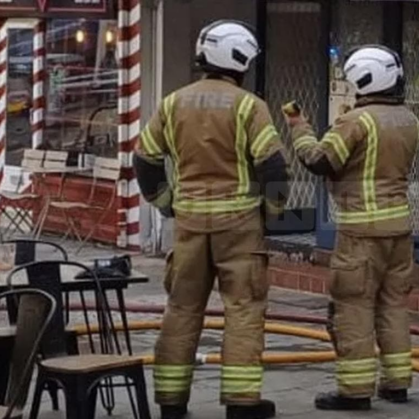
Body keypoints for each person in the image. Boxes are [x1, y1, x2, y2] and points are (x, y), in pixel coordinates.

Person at [134, 19, 289, 419]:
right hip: (238, 226)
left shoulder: (173, 103)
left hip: (188, 226)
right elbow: (273, 168)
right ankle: (241, 404)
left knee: (181, 309)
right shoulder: (248, 106)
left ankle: (171, 402)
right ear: (237, 60)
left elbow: (145, 159)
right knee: (243, 309)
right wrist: (272, 216)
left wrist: (167, 203)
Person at [283, 45, 419, 411]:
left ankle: (355, 391)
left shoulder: (356, 121)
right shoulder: (408, 119)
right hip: (400, 230)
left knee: (353, 308)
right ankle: (397, 383)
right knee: (393, 305)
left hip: (362, 232)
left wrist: (299, 127)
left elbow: (318, 161)